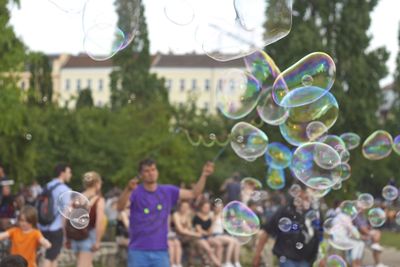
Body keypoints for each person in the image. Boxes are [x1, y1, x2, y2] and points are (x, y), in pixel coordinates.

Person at [117, 158, 214, 267]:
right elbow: (120, 207)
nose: (151, 173)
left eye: (153, 169)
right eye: (147, 171)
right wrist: (128, 189)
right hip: (138, 250)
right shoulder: (135, 192)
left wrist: (204, 175)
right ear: (140, 174)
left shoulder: (168, 191)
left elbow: (193, 193)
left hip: (161, 251)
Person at [252, 189, 322, 267]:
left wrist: (320, 258)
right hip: (287, 259)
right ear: (299, 192)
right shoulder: (285, 211)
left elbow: (318, 236)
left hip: (306, 260)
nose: (309, 196)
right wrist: (257, 254)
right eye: (306, 195)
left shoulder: (315, 213)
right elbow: (267, 231)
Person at [69, 171, 105, 267]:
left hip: (75, 236)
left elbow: (66, 218)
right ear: (97, 183)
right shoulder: (99, 200)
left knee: (86, 264)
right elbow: (99, 222)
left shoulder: (76, 198)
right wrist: (97, 241)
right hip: (89, 236)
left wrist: (66, 238)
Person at [39, 163, 72, 267]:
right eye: (69, 172)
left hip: (43, 225)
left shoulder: (47, 185)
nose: (71, 174)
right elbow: (65, 212)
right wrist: (64, 230)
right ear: (62, 173)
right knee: (50, 257)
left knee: (53, 257)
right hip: (56, 227)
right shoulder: (65, 190)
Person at [193, 201, 222, 267]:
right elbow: (199, 231)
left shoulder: (209, 218)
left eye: (208, 207)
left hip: (207, 237)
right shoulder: (197, 217)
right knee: (209, 249)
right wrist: (207, 233)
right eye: (205, 207)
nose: (207, 209)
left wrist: (212, 222)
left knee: (219, 244)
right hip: (199, 238)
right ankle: (219, 265)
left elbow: (210, 231)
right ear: (201, 207)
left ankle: (217, 263)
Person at [212, 202, 241, 267]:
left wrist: (233, 219)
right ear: (214, 208)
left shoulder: (222, 217)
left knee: (237, 242)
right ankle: (227, 262)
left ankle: (236, 262)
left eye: (221, 207)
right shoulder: (212, 215)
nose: (220, 208)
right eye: (218, 207)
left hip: (221, 235)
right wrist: (220, 215)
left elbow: (228, 227)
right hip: (214, 235)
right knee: (232, 241)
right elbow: (212, 224)